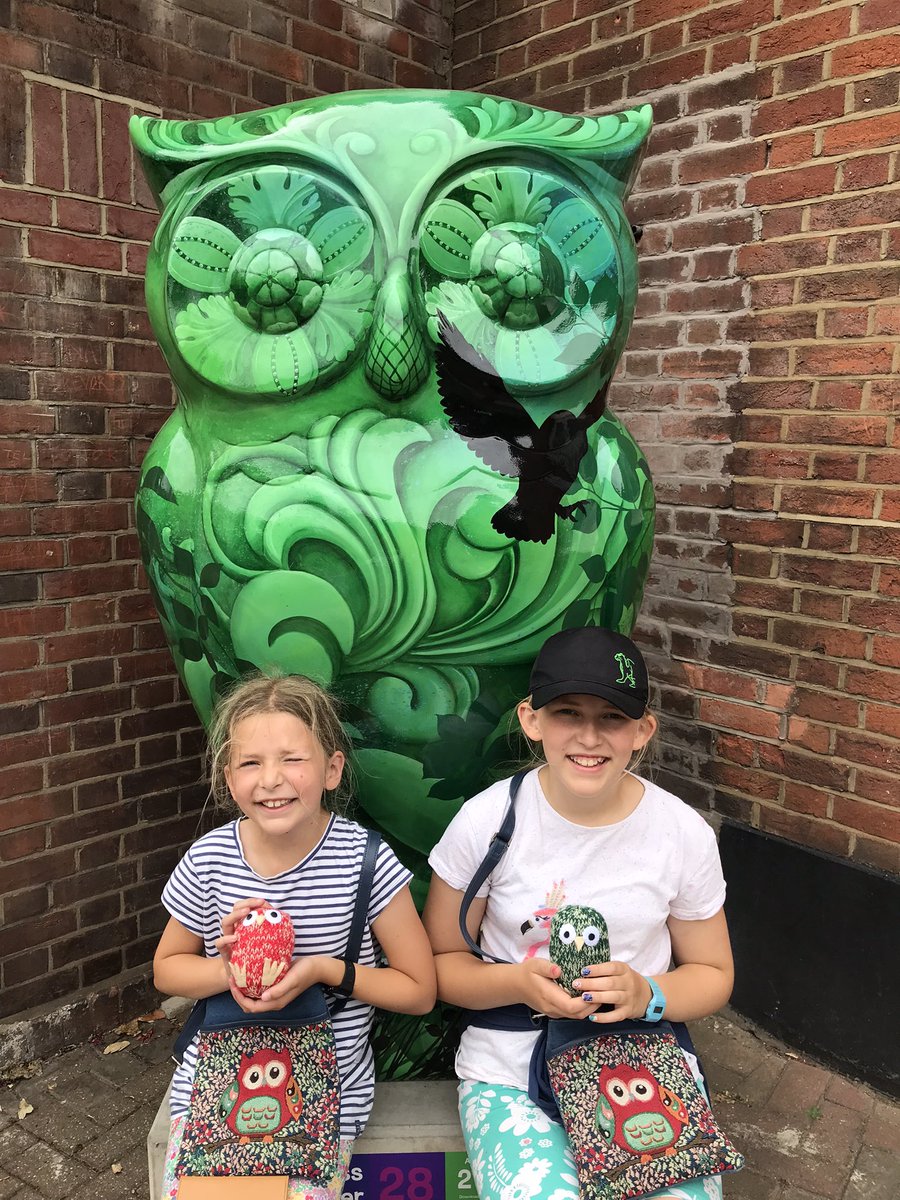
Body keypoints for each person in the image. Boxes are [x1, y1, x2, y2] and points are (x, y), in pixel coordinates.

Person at [424, 626, 734, 1200]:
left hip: (638, 1059)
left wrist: (647, 995)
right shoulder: (486, 822)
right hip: (511, 1062)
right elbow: (439, 964)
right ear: (532, 719)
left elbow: (713, 975)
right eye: (568, 712)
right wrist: (516, 981)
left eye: (613, 717)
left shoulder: (680, 833)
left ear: (643, 730)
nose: (589, 736)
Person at [153, 673, 436, 1200]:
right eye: (251, 762)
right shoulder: (210, 859)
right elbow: (167, 968)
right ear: (228, 777)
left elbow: (418, 990)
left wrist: (325, 970)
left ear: (332, 769)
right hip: (219, 1079)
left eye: (292, 759)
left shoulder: (364, 862)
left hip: (322, 1088)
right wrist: (225, 969)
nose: (271, 780)